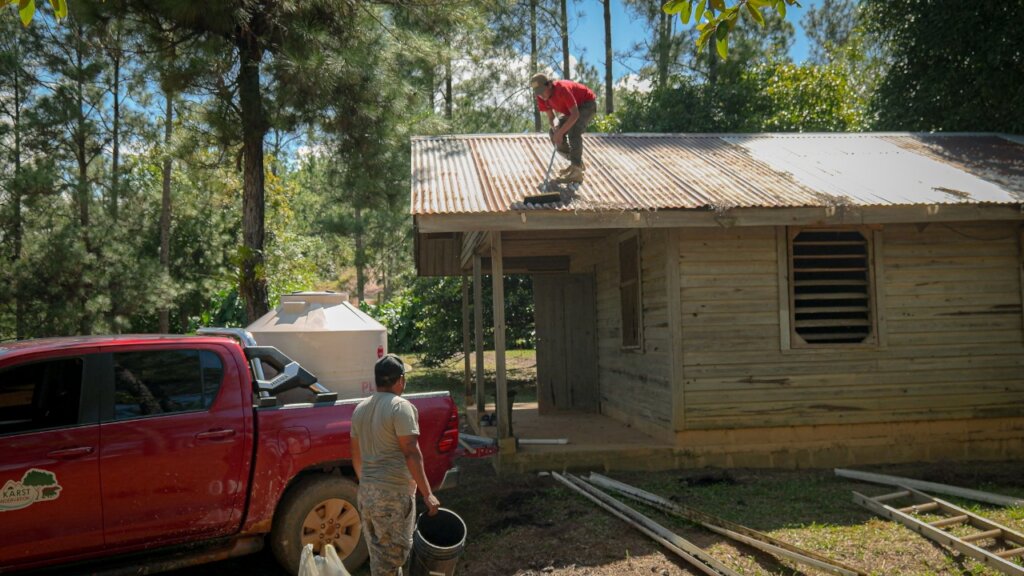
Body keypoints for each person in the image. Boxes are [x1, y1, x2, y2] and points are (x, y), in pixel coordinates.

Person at [352, 354, 440, 576]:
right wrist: (427, 493)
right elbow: (411, 451)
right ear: (400, 380)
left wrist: (369, 485)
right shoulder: (401, 407)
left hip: (366, 494)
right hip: (392, 494)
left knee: (381, 559)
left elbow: (356, 456)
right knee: (392, 559)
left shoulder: (360, 409)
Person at [530, 72, 598, 184]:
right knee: (553, 134)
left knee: (574, 131)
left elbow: (575, 115)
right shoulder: (542, 98)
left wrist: (561, 133)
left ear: (549, 85)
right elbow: (551, 117)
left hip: (587, 105)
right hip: (571, 111)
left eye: (542, 91)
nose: (541, 95)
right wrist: (556, 128)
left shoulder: (562, 89)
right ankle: (576, 163)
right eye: (538, 93)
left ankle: (576, 171)